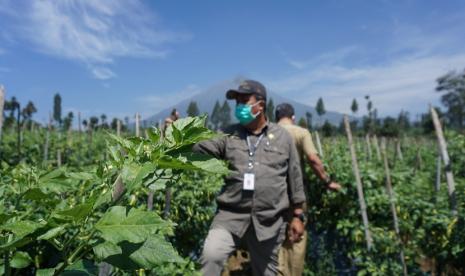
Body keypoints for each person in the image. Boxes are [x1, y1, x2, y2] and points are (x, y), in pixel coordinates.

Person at [193, 80, 306, 276]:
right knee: (211, 255)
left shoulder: (282, 137)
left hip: (269, 219)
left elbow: (294, 178)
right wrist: (175, 135)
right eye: (237, 103)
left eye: (244, 101)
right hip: (231, 215)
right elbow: (200, 146)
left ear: (260, 105)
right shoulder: (229, 134)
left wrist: (297, 215)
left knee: (267, 271)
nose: (239, 107)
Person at [275, 103, 341, 276]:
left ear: (276, 117)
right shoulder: (301, 133)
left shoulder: (268, 133)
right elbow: (313, 159)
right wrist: (327, 181)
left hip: (272, 195)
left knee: (277, 237)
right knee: (296, 238)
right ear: (293, 117)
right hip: (296, 195)